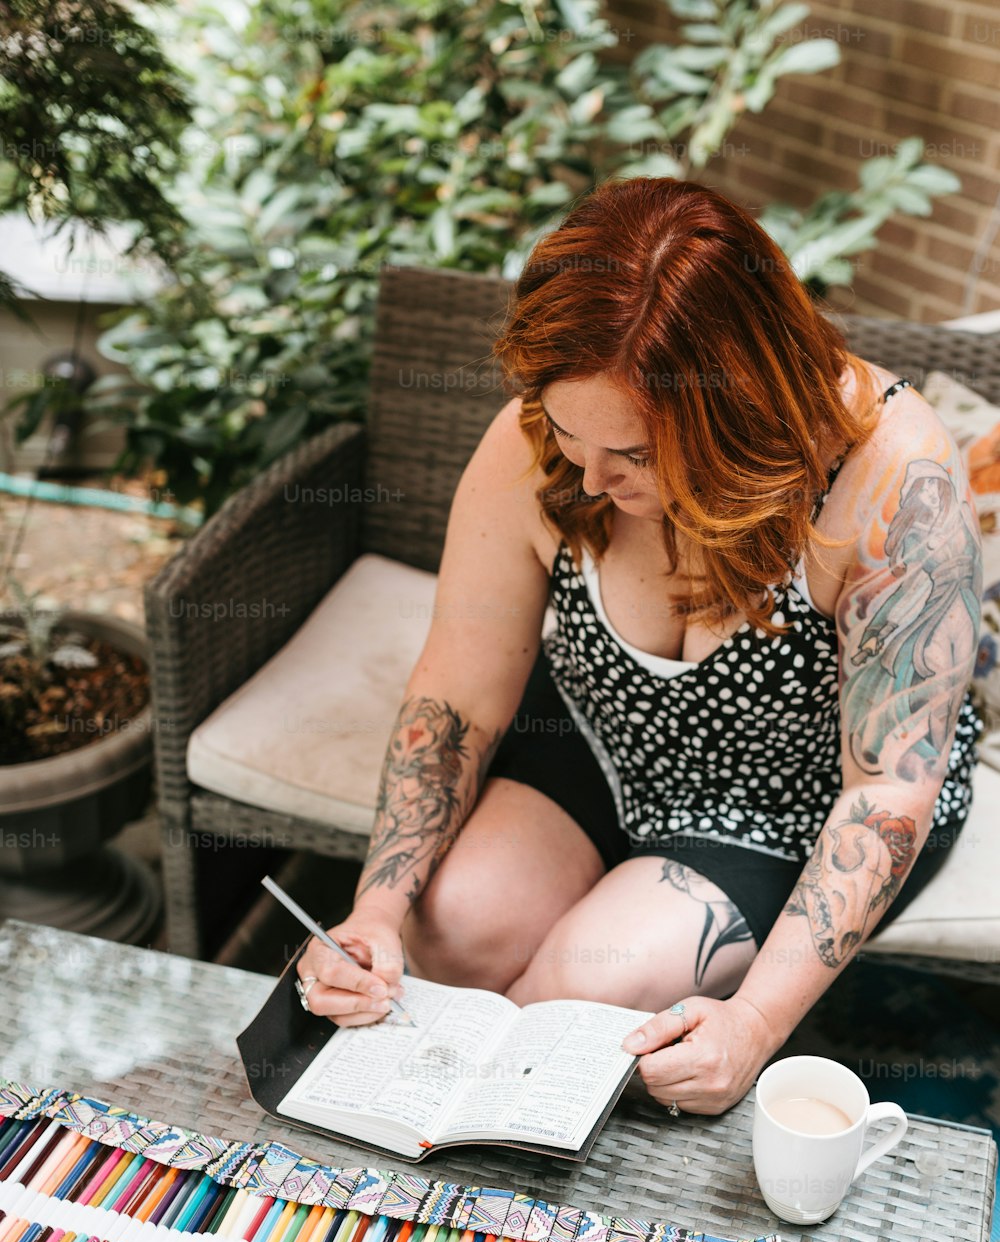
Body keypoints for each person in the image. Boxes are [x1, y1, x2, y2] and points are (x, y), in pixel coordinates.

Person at [296, 176, 982, 1117]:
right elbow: (458, 690)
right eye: (573, 435)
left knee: (582, 994)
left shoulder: (891, 483)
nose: (587, 473)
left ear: (737, 415)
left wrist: (754, 1025)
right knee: (447, 936)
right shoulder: (551, 442)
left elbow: (887, 789)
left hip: (790, 796)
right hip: (601, 729)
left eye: (634, 454)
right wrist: (375, 908)